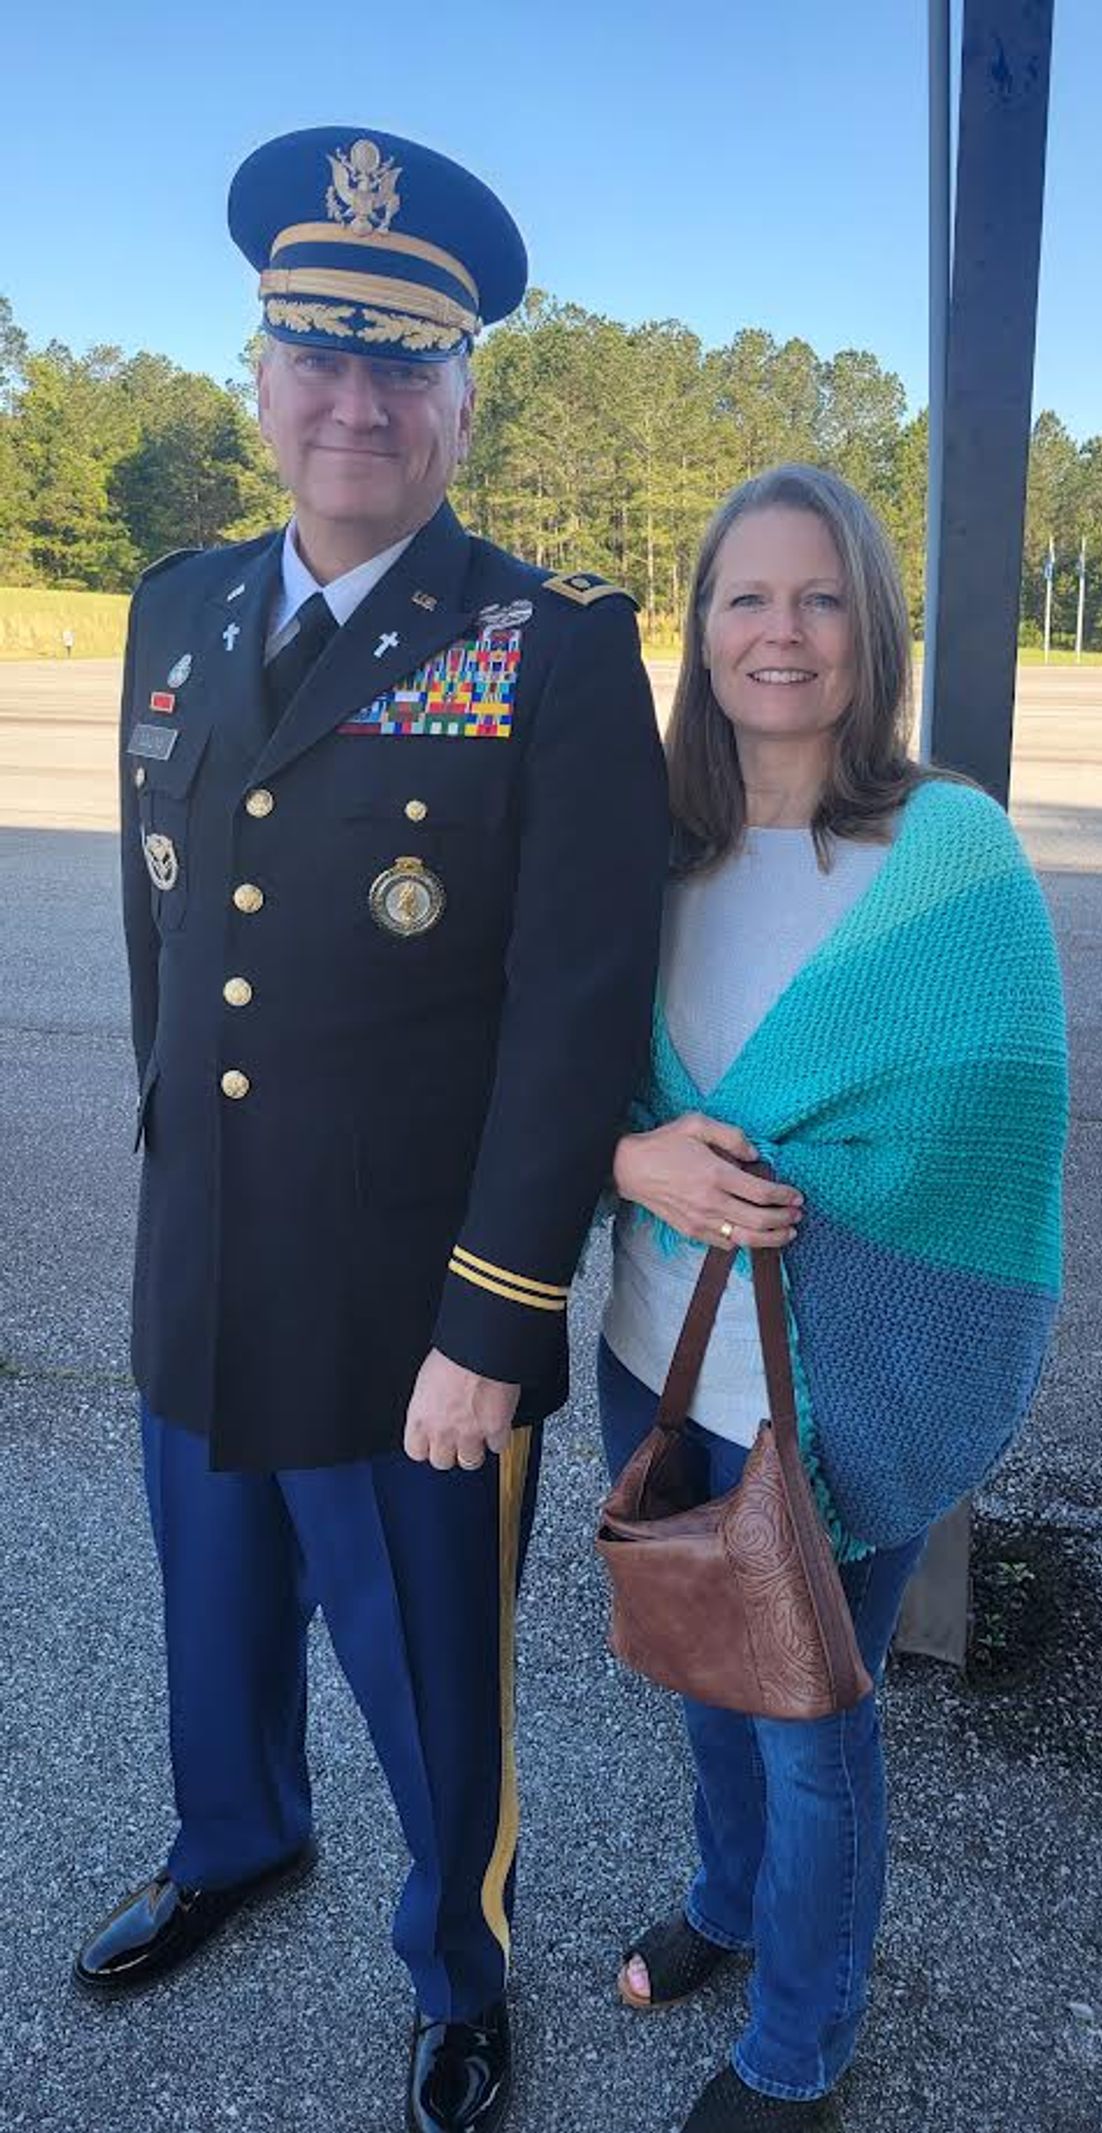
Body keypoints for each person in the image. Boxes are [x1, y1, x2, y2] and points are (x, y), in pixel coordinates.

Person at [74, 126, 667, 2133]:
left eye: (404, 364)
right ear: (259, 381)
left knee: (430, 1673)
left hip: (417, 1307)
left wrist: (494, 1320)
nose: (356, 399)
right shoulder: (177, 610)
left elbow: (574, 1009)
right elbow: (166, 935)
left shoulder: (548, 644)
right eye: (318, 355)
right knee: (214, 1600)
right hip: (206, 1246)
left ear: (462, 403)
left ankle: (459, 1963)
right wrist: (174, 1175)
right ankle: (236, 1834)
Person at [598, 464, 1068, 2131]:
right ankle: (728, 1904)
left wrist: (809, 1175)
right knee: (702, 1670)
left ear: (871, 628)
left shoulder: (950, 852)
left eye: (818, 598)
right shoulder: (645, 843)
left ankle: (799, 2044)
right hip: (656, 1357)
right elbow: (556, 1067)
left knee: (812, 1726)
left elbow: (998, 1121)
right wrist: (632, 1155)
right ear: (701, 629)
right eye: (745, 596)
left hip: (841, 1390)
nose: (780, 631)